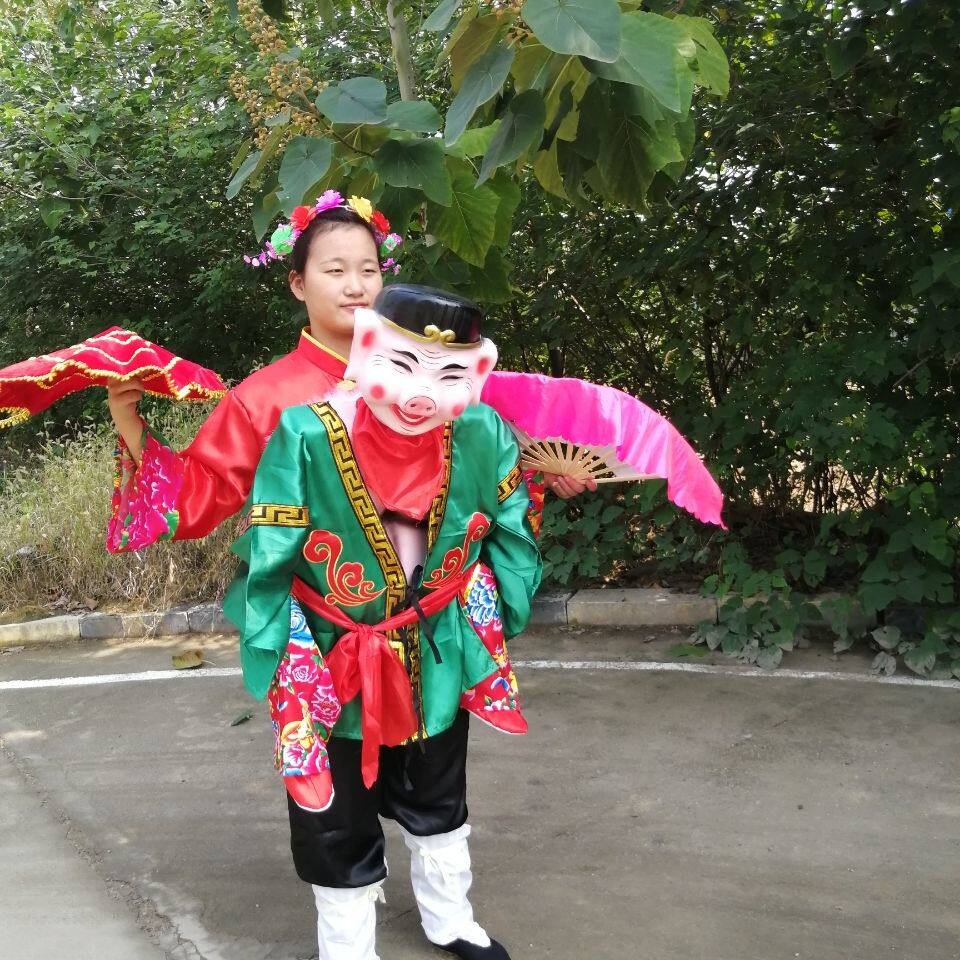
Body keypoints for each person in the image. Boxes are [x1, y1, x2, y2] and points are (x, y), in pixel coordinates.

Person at [225, 284, 538, 959]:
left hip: (436, 647)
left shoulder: (482, 432)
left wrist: (493, 617)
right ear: (366, 348)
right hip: (332, 654)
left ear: (478, 373)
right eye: (403, 364)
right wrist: (278, 650)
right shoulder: (306, 434)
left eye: (449, 374)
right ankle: (347, 947)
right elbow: (269, 557)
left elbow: (512, 532)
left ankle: (449, 918)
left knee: (439, 789)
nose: (421, 394)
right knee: (335, 811)